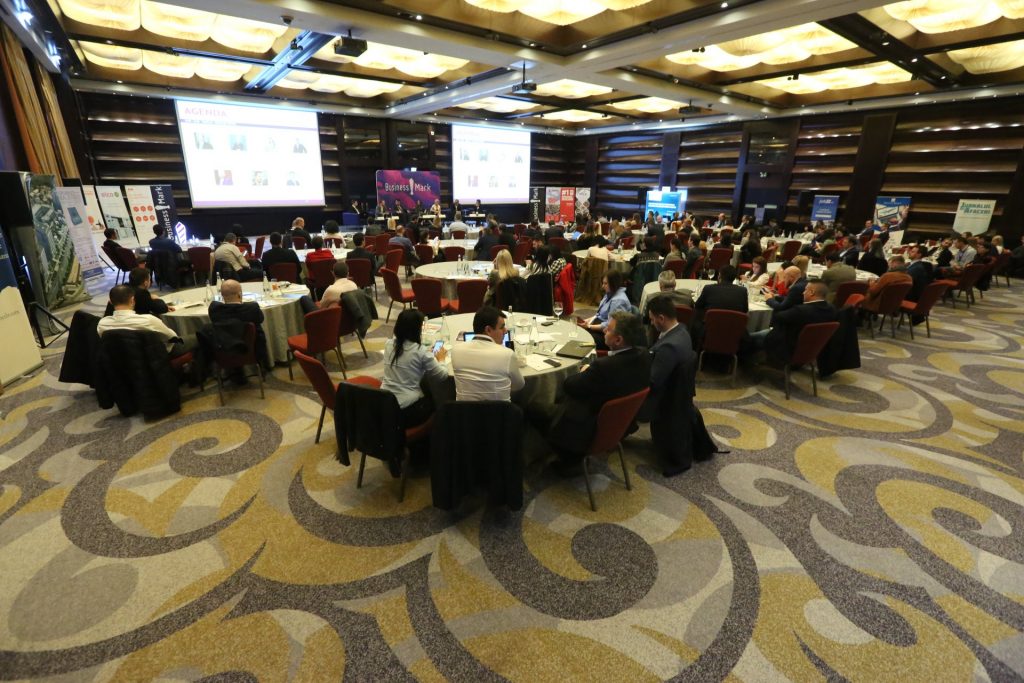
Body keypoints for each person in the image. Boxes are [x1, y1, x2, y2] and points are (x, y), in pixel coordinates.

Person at [548, 312, 652, 470]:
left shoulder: (603, 367)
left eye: (608, 329)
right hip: (620, 424)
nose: (604, 330)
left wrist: (585, 371)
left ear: (618, 340)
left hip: (587, 427)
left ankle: (564, 456)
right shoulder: (644, 355)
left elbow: (569, 386)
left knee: (534, 407)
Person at [644, 295, 701, 476]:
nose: (651, 323)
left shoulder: (668, 347)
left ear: (661, 318)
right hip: (678, 394)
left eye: (652, 319)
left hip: (663, 400)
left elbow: (653, 382)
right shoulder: (682, 331)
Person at [380, 309, 450, 427]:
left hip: (384, 403)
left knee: (425, 383)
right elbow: (442, 376)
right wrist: (441, 359)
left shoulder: (388, 344)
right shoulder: (420, 352)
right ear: (416, 330)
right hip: (407, 410)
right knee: (438, 402)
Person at [749, 281, 837, 365]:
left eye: (805, 290)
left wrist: (777, 303)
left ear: (811, 292)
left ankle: (748, 363)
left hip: (787, 347)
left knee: (748, 338)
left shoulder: (801, 310)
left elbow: (778, 316)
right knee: (758, 335)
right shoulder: (832, 309)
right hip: (811, 350)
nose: (803, 293)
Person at [450, 306, 524, 401]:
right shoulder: (507, 354)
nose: (505, 331)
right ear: (488, 330)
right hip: (500, 410)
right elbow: (519, 385)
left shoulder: (456, 351)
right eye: (502, 327)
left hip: (465, 410)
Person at [97, 284, 185, 356]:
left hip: (122, 361)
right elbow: (172, 337)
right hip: (154, 358)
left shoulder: (102, 324)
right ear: (132, 300)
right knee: (192, 338)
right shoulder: (148, 320)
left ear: (111, 302)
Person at [209, 279, 270, 374]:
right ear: (240, 294)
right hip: (251, 349)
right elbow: (260, 319)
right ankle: (263, 364)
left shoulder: (215, 309)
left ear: (222, 295)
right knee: (257, 328)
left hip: (224, 350)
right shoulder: (252, 308)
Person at [579, 270, 631, 341]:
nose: (603, 286)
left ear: (614, 283)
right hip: (600, 326)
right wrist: (587, 321)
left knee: (582, 338)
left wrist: (589, 326)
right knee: (578, 330)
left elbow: (611, 326)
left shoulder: (619, 301)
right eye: (603, 283)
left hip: (608, 334)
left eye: (605, 283)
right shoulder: (609, 293)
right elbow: (598, 315)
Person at [103, 267, 171, 317]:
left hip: (112, 321)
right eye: (150, 279)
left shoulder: (121, 289)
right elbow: (161, 309)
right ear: (146, 283)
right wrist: (157, 299)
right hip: (135, 322)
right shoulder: (142, 294)